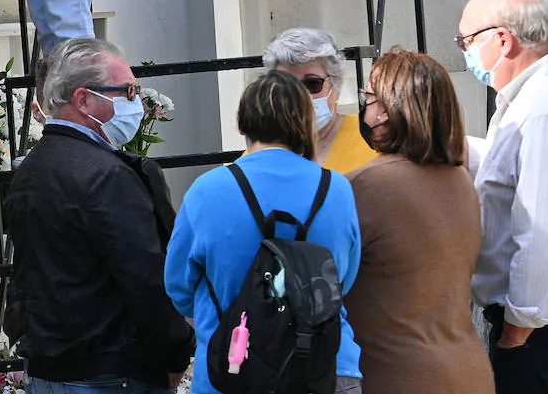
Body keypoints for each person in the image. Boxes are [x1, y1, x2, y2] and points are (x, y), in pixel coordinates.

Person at [4, 38, 193, 394]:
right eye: (127, 91)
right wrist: (175, 353)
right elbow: (145, 279)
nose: (136, 101)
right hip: (108, 370)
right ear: (83, 99)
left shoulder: (32, 168)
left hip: (49, 367)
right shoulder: (107, 175)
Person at [165, 70, 363, 394]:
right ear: (304, 123)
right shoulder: (336, 189)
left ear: (242, 125)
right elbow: (344, 277)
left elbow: (178, 286)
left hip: (232, 367)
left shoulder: (207, 190)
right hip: (325, 367)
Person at [343, 49, 493, 394]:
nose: (366, 107)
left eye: (369, 96)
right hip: (470, 372)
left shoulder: (364, 186)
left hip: (396, 376)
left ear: (385, 110)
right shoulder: (460, 181)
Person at [459, 0, 548, 392]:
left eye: (467, 41)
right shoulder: (526, 98)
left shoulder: (539, 108)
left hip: (532, 334)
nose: (467, 53)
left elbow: (538, 227)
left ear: (502, 39)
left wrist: (518, 329)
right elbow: (511, 172)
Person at [264, 27, 376, 173]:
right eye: (286, 84)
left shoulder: (373, 141)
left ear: (336, 85)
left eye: (312, 84)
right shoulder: (262, 151)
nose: (299, 96)